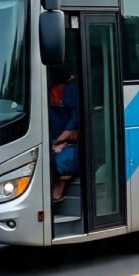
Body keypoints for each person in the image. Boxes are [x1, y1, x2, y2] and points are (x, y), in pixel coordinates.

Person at [49, 67, 79, 202]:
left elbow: (75, 120)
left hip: (66, 142)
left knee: (60, 161)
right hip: (51, 140)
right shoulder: (47, 88)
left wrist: (59, 142)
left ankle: (57, 193)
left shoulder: (71, 88)